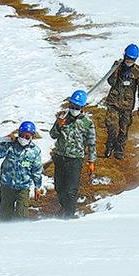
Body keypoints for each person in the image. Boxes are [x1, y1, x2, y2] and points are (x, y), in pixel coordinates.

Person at [49, 90, 96, 218]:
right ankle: (65, 207)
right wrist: (58, 126)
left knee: (71, 190)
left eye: (77, 107)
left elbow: (91, 143)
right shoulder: (62, 118)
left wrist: (91, 161)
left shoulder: (87, 123)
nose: (74, 109)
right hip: (60, 158)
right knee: (59, 188)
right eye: (72, 106)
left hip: (75, 160)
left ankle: (69, 217)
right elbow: (53, 135)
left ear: (82, 107)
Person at [103, 43, 139, 159]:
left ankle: (119, 150)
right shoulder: (117, 66)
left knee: (124, 129)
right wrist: (115, 70)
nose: (129, 61)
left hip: (127, 105)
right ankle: (110, 145)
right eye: (128, 58)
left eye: (132, 59)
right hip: (114, 102)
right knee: (112, 126)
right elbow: (110, 82)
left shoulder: (138, 71)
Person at [0, 121, 44, 221]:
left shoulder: (35, 151)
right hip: (7, 187)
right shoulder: (10, 145)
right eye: (21, 135)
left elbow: (37, 170)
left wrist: (37, 186)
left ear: (32, 136)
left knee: (21, 218)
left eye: (27, 136)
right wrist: (4, 141)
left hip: (23, 189)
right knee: (5, 217)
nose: (24, 138)